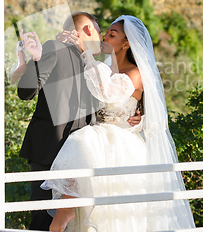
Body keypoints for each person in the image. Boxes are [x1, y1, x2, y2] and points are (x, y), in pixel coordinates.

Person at [41, 15, 196, 232]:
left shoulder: (136, 73)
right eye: (106, 32)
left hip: (122, 146)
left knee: (83, 145)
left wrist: (140, 120)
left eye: (112, 34)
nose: (104, 36)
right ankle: (67, 207)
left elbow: (111, 94)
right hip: (99, 140)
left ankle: (66, 208)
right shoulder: (103, 69)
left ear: (126, 43)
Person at [13, 12, 142, 231]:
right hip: (50, 151)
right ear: (89, 30)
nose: (102, 38)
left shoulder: (100, 66)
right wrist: (36, 59)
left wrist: (139, 116)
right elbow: (26, 93)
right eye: (101, 32)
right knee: (44, 223)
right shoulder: (55, 48)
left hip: (88, 157)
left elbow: (125, 96)